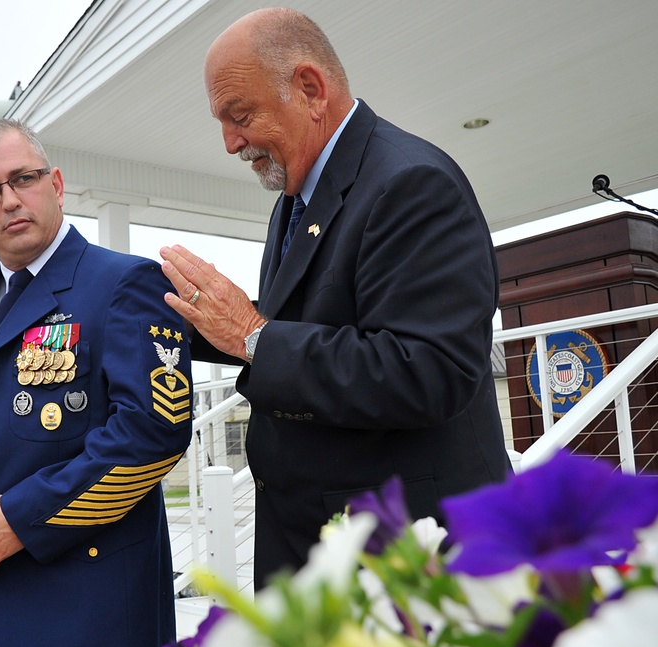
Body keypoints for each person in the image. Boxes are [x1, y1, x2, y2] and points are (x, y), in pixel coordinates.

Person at [160, 7, 509, 589]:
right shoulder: (295, 199)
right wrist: (186, 319)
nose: (229, 142)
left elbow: (427, 372)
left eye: (239, 114)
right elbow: (300, 330)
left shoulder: (412, 182)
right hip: (317, 545)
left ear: (310, 89)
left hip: (402, 566)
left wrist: (252, 334)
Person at [0, 119, 193, 647]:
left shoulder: (125, 283)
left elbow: (151, 435)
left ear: (57, 185)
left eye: (24, 178)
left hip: (91, 602)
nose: (11, 200)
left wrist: (21, 517)